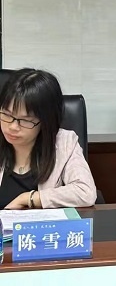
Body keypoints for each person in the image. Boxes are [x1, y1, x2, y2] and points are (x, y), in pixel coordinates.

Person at [0, 68, 97, 209]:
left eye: (25, 120)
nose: (13, 126)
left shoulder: (64, 143)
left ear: (46, 121)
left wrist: (29, 198)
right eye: (7, 114)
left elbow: (85, 192)